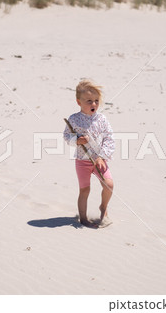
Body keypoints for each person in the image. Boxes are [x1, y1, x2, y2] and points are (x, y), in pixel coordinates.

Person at [64, 79, 115, 228]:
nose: (93, 104)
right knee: (84, 189)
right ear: (79, 102)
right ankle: (83, 218)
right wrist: (77, 140)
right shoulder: (74, 119)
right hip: (82, 161)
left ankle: (103, 209)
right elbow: (67, 137)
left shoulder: (102, 119)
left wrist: (102, 156)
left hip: (99, 160)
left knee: (109, 184)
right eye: (89, 101)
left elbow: (109, 138)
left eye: (96, 101)